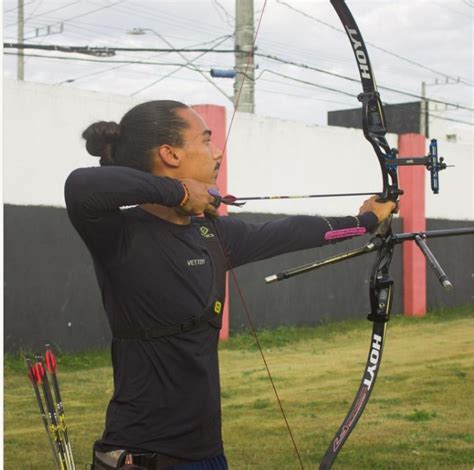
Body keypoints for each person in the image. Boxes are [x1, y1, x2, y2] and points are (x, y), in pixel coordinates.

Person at [64, 100, 396, 470]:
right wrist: (180, 194)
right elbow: (81, 185)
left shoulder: (211, 233)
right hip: (143, 456)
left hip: (207, 453)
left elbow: (292, 231)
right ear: (170, 154)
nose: (217, 152)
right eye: (205, 141)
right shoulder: (118, 235)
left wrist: (364, 221)